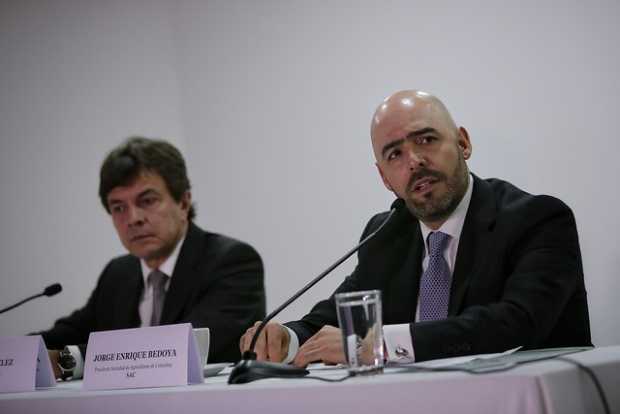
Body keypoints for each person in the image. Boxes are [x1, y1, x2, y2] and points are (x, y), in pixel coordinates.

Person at [240, 90, 591, 366]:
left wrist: (375, 346)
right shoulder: (387, 234)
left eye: (426, 140)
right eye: (394, 154)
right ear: (383, 177)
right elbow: (336, 316)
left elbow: (514, 323)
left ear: (463, 143)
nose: (415, 162)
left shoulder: (538, 218)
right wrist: (288, 339)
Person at [39, 137, 265, 379]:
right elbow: (68, 333)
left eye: (147, 201)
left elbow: (176, 348)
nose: (133, 218)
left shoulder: (232, 262)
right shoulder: (118, 274)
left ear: (183, 202)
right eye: (118, 207)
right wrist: (18, 354)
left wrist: (69, 359)